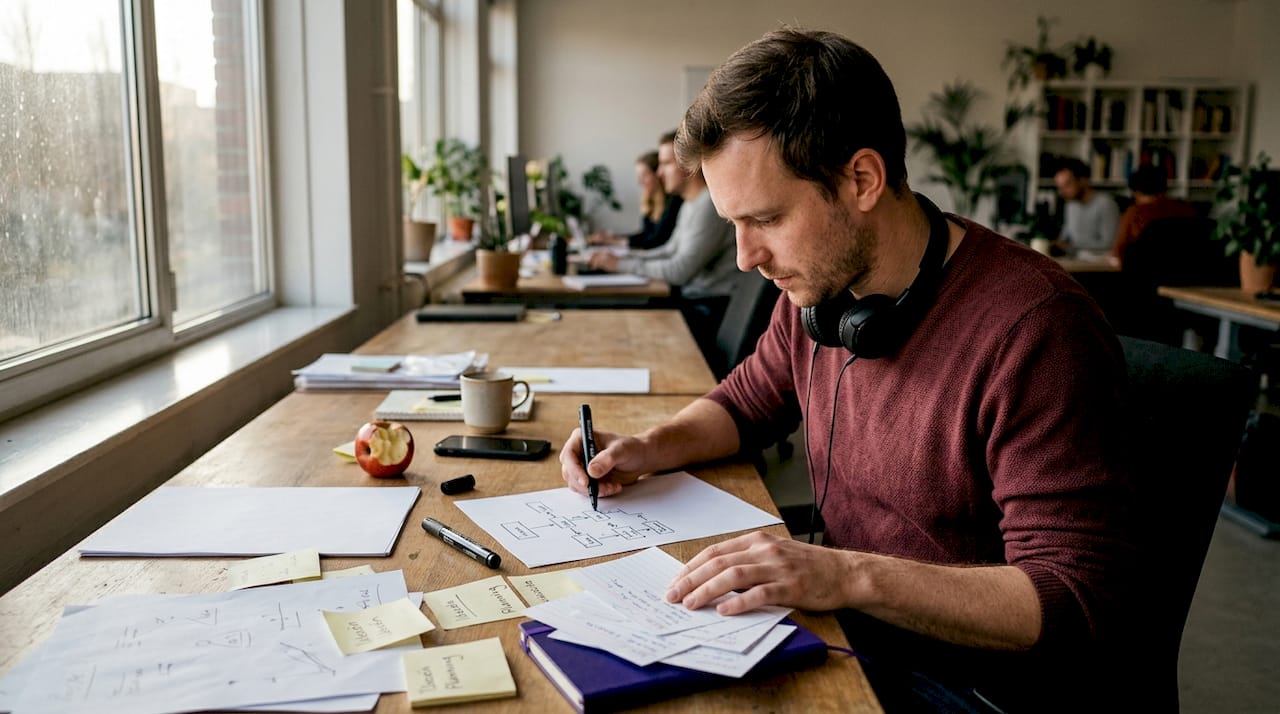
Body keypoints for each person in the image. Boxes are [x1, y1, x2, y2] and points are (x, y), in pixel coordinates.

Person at [562, 28, 1139, 712]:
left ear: (861, 179)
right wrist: (653, 445)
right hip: (851, 634)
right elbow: (748, 401)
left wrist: (844, 576)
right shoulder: (820, 294)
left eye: (766, 219)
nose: (746, 257)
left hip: (972, 683)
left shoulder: (1037, 329)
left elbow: (1072, 597)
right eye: (733, 223)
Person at [588, 130, 738, 356]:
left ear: (689, 165)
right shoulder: (692, 204)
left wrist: (619, 265)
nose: (659, 172)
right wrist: (622, 259)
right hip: (692, 302)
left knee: (618, 328)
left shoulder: (709, 206)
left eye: (666, 163)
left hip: (706, 308)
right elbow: (669, 251)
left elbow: (679, 271)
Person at [589, 150, 684, 250]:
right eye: (639, 176)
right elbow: (645, 234)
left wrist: (613, 241)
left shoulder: (673, 202)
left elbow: (656, 241)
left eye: (644, 176)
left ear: (658, 174)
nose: (640, 182)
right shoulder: (649, 201)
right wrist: (614, 237)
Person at [1111, 164, 1197, 266]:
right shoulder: (1187, 210)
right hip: (1186, 273)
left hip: (1146, 274)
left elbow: (1119, 251)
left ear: (1136, 192)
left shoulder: (1134, 213)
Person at [1054, 158, 1120, 254]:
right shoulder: (1070, 205)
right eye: (1060, 187)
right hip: (1073, 261)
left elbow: (1109, 243)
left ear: (1083, 180)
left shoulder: (1106, 204)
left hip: (1098, 264)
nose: (1062, 192)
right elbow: (1065, 238)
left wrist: (1073, 246)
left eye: (1067, 185)